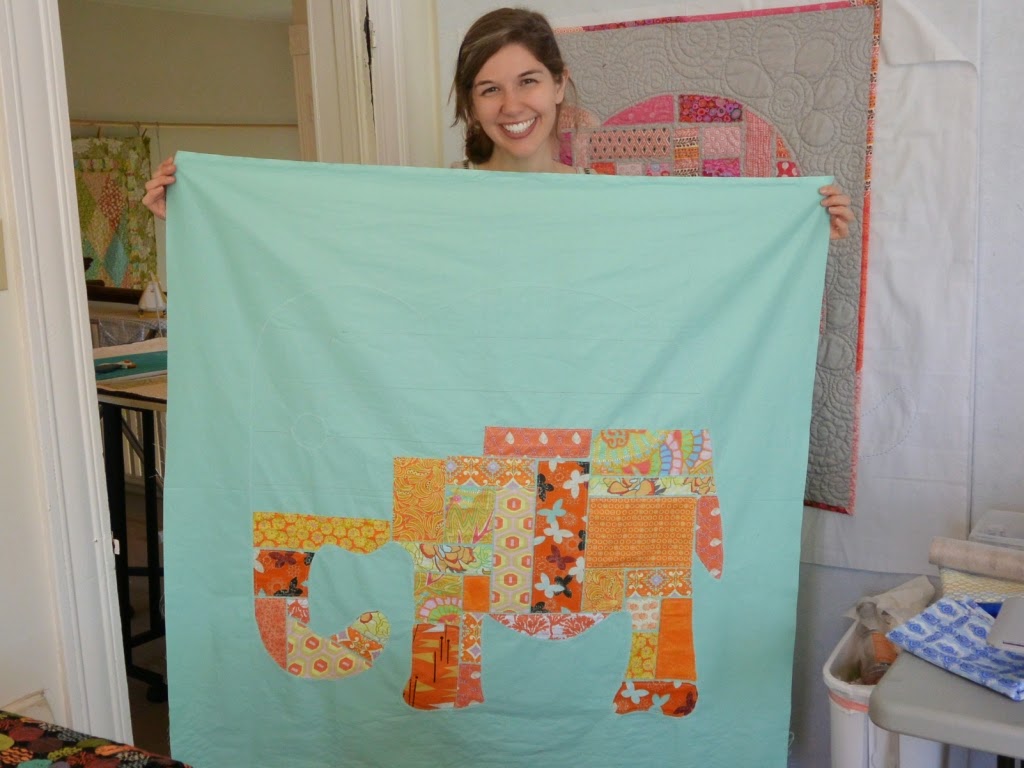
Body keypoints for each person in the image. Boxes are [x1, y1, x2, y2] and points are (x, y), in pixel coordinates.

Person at [144, 7, 854, 238]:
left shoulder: (605, 202)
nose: (512, 107)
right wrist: (203, 212)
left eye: (528, 82)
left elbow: (693, 260)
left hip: (574, 408)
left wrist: (794, 228)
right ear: (469, 103)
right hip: (464, 410)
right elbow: (327, 244)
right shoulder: (439, 199)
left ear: (559, 85)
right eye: (489, 89)